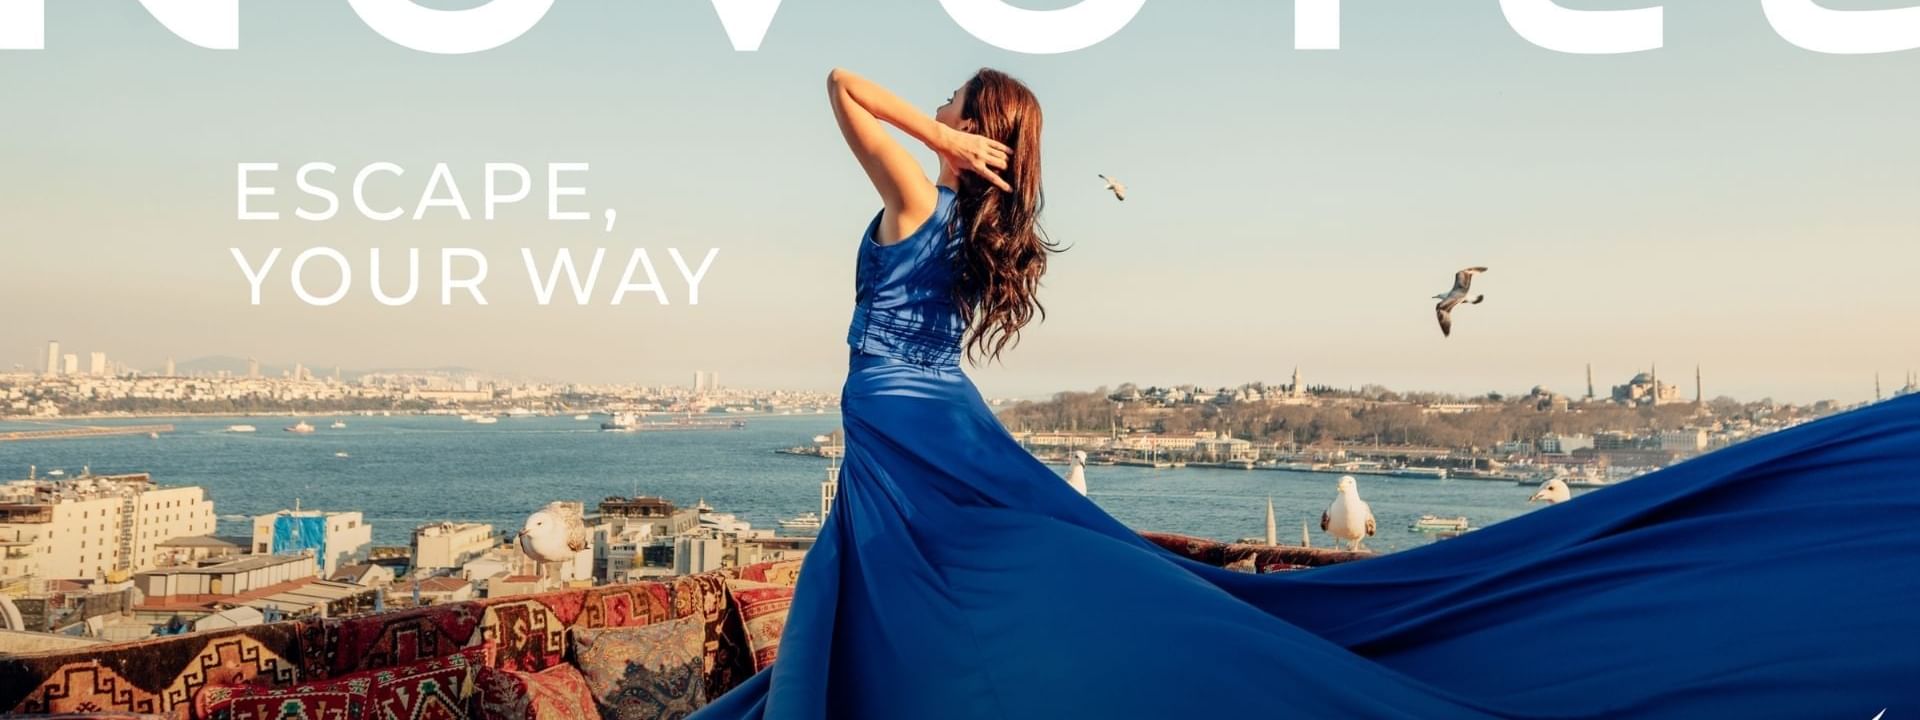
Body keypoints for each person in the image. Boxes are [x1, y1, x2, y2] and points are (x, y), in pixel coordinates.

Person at [691, 67, 1920, 719]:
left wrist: (942, 144)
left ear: (977, 134)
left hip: (909, 426)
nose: (945, 115)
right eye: (952, 111)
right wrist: (966, 153)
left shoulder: (923, 199)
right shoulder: (971, 231)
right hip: (918, 422)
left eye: (962, 108)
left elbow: (845, 81)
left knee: (934, 584)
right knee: (918, 584)